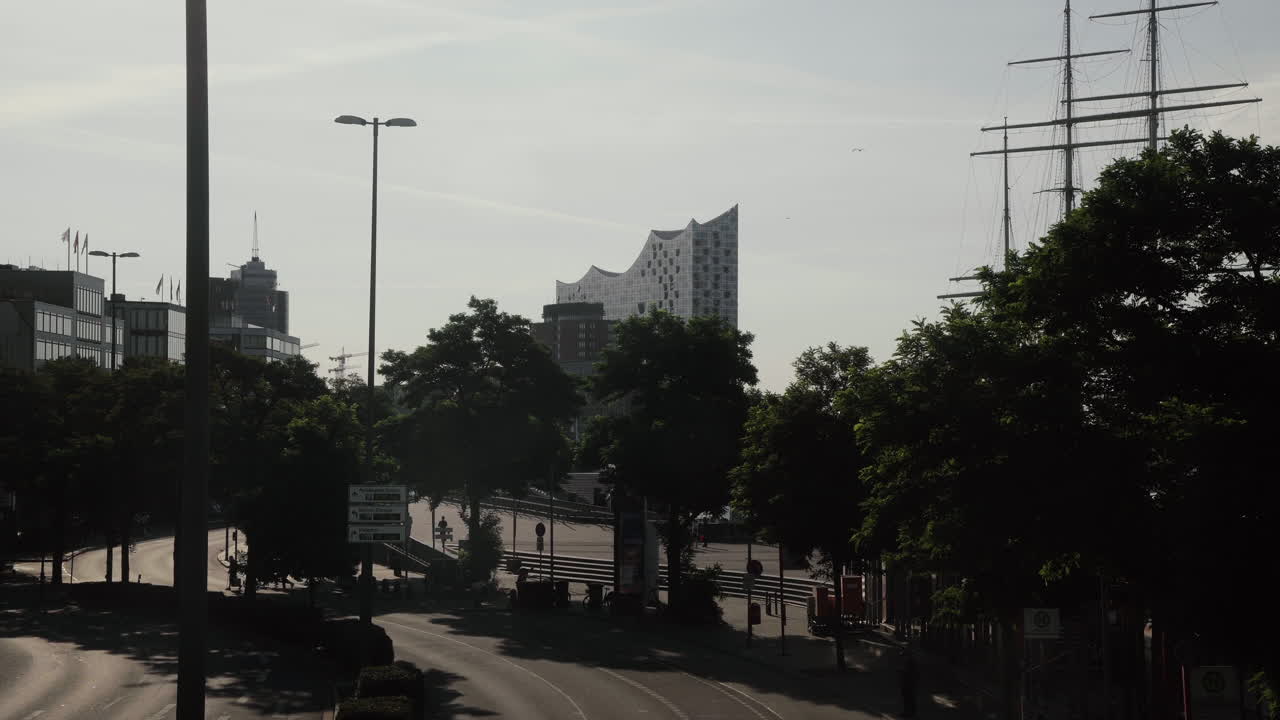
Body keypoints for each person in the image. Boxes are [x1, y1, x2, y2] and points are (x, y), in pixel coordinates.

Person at [899, 650, 919, 717]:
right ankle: (908, 712)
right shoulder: (908, 662)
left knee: (909, 698)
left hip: (909, 683)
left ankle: (910, 713)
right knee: (907, 698)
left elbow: (912, 674)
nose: (903, 657)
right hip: (907, 683)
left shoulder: (911, 663)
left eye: (904, 656)